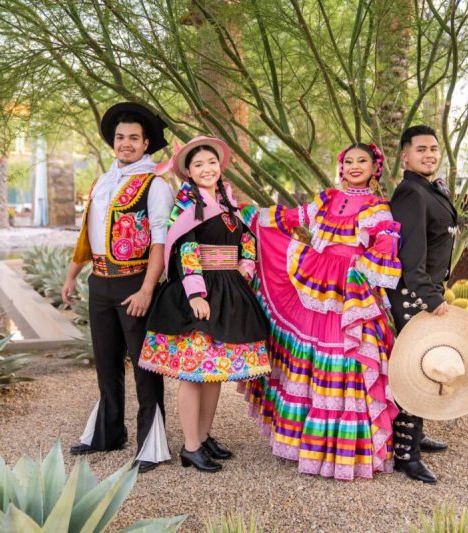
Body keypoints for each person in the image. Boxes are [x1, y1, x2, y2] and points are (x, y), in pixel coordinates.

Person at [242, 143, 401, 481]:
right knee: (313, 356)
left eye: (362, 161)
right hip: (317, 280)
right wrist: (252, 215)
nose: (355, 166)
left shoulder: (377, 207)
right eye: (349, 161)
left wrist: (366, 266)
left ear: (375, 168)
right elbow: (293, 218)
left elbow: (386, 242)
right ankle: (309, 445)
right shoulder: (327, 198)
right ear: (341, 167)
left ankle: (344, 453)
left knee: (346, 356)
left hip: (350, 287)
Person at [139, 136, 271, 473]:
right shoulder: (186, 206)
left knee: (215, 372)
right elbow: (185, 248)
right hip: (197, 292)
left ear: (220, 166)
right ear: (189, 172)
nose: (206, 169)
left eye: (211, 162)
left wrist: (245, 268)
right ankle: (191, 446)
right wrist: (196, 294)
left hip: (228, 290)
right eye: (198, 165)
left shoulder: (229, 203)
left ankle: (204, 435)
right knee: (193, 372)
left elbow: (247, 240)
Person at [61, 102, 174, 473]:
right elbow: (87, 234)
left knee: (145, 367)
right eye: (120, 137)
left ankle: (151, 446)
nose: (126, 143)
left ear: (146, 144)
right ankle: (108, 433)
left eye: (133, 138)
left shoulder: (155, 185)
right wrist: (72, 274)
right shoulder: (101, 182)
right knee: (106, 363)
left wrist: (147, 289)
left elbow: (160, 241)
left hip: (135, 282)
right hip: (100, 282)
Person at [386, 125, 456, 484]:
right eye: (421, 149)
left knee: (425, 365)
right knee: (414, 370)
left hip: (427, 290)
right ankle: (405, 455)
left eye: (433, 149)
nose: (429, 155)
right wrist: (430, 297)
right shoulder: (410, 193)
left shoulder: (428, 188)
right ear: (405, 156)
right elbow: (409, 257)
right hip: (412, 295)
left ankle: (416, 433)